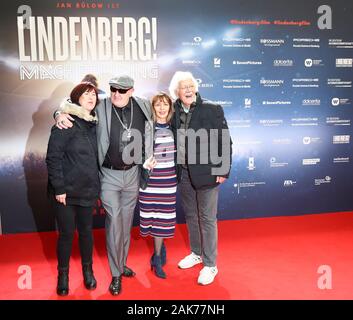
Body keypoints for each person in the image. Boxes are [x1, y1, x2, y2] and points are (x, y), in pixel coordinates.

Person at [54, 75, 153, 295]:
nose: (116, 94)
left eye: (121, 90)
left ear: (131, 91)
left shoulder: (144, 105)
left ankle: (122, 262)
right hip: (108, 175)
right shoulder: (101, 105)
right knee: (115, 222)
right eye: (113, 89)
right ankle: (116, 274)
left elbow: (165, 113)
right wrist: (58, 113)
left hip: (134, 173)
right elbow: (73, 102)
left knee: (126, 223)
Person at [169, 71, 232, 285]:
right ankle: (196, 253)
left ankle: (210, 264)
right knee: (191, 216)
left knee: (207, 218)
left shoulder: (212, 109)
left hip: (207, 174)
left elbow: (225, 141)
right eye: (182, 87)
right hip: (184, 173)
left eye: (190, 86)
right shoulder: (173, 111)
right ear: (176, 92)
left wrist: (223, 170)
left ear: (195, 88)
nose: (187, 90)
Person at [46, 82, 100, 296]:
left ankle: (88, 271)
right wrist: (59, 188)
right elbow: (53, 158)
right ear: (77, 98)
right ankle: (63, 275)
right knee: (67, 235)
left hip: (87, 190)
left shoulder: (95, 122)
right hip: (65, 193)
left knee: (86, 233)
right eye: (86, 94)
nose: (91, 97)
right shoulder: (65, 121)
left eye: (94, 94)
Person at [139, 93, 176, 279]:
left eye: (165, 105)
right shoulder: (147, 127)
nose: (162, 109)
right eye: (158, 105)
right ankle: (158, 252)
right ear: (153, 108)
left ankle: (157, 255)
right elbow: (136, 152)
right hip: (151, 183)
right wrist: (144, 164)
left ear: (170, 108)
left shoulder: (175, 127)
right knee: (153, 218)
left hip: (168, 182)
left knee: (162, 220)